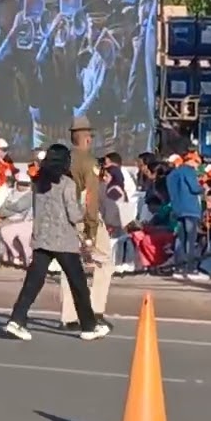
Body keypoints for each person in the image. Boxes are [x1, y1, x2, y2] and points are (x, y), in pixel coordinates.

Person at [4, 144, 110, 342]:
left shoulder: (38, 182)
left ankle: (16, 319)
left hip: (41, 238)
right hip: (64, 242)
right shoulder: (67, 184)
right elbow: (74, 215)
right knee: (78, 284)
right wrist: (84, 210)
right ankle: (89, 326)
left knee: (33, 282)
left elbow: (29, 205)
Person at [59, 116, 114, 331]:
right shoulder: (89, 163)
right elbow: (91, 198)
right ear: (87, 139)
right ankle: (96, 310)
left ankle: (69, 316)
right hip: (83, 216)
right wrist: (91, 230)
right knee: (104, 262)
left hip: (63, 216)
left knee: (69, 264)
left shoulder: (63, 160)